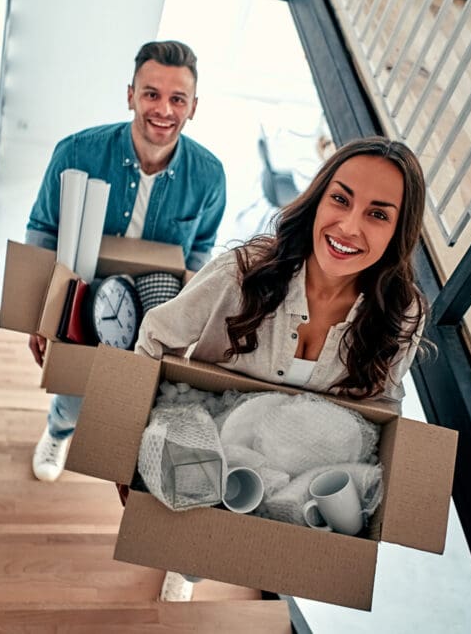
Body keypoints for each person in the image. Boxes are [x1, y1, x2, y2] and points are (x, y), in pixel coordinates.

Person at [134, 136, 427, 600]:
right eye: (340, 199)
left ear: (398, 231)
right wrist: (126, 441)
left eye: (377, 214)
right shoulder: (239, 274)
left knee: (266, 552)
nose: (349, 226)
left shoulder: (400, 316)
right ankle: (187, 564)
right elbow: (155, 338)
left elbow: (383, 409)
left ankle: (210, 563)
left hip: (301, 476)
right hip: (212, 450)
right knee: (193, 544)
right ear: (317, 198)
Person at [25, 40, 226, 486]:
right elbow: (41, 230)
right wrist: (39, 316)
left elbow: (200, 250)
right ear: (130, 94)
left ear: (193, 107)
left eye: (178, 99)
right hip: (81, 291)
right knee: (74, 391)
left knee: (130, 397)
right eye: (151, 94)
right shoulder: (76, 153)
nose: (164, 109)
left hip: (153, 309)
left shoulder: (210, 176)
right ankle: (59, 432)